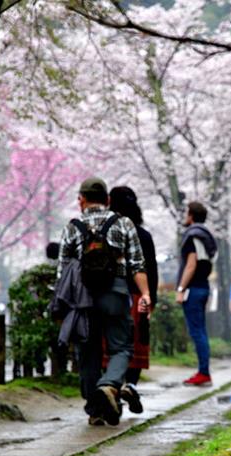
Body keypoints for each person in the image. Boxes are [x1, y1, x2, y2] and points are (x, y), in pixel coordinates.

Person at [57, 177, 151, 426]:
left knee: (87, 352)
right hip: (116, 293)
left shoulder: (72, 227)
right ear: (108, 200)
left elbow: (63, 271)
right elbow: (137, 265)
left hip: (82, 299)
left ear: (82, 200)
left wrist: (63, 306)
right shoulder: (123, 223)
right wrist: (145, 295)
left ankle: (95, 410)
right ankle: (109, 386)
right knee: (121, 348)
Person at [103, 186, 158, 414]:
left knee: (112, 346)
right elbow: (151, 270)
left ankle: (112, 387)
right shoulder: (143, 235)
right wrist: (150, 299)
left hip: (112, 294)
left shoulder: (109, 232)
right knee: (136, 344)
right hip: (137, 296)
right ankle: (131, 385)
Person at [176, 201, 218, 386]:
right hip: (203, 286)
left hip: (193, 288)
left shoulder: (193, 235)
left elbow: (191, 264)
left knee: (197, 331)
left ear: (191, 215)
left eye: (187, 213)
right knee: (200, 330)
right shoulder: (206, 235)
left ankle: (204, 372)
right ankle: (203, 371)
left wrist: (180, 289)